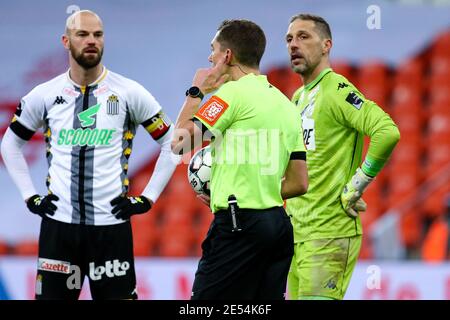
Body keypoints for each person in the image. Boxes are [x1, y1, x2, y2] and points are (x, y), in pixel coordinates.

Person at [0, 10, 179, 300]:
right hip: (59, 231)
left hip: (111, 232)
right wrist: (29, 196)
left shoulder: (130, 93)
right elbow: (10, 145)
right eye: (82, 34)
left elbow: (172, 142)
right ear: (66, 41)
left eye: (97, 34)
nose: (91, 40)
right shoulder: (44, 94)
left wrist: (148, 197)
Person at [171, 19, 308, 300]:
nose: (210, 57)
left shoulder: (231, 95)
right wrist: (258, 191)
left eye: (213, 50)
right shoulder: (286, 105)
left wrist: (196, 91)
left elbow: (180, 143)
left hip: (238, 224)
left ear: (227, 56)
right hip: (277, 226)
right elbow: (299, 182)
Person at [284, 13, 400, 300]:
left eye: (303, 37)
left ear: (327, 45)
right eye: (289, 39)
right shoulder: (297, 98)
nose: (293, 45)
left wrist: (357, 184)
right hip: (295, 235)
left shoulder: (337, 90)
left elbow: (387, 132)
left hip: (328, 234)